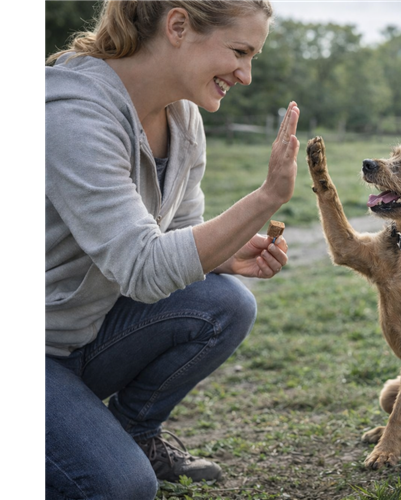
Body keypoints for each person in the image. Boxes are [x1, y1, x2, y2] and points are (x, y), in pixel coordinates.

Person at [45, 1, 298, 497]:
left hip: (77, 334)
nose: (245, 75)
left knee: (225, 302)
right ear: (178, 26)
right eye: (239, 51)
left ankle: (135, 434)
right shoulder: (71, 114)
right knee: (120, 489)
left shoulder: (182, 116)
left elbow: (177, 233)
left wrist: (223, 254)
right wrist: (265, 198)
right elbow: (143, 268)